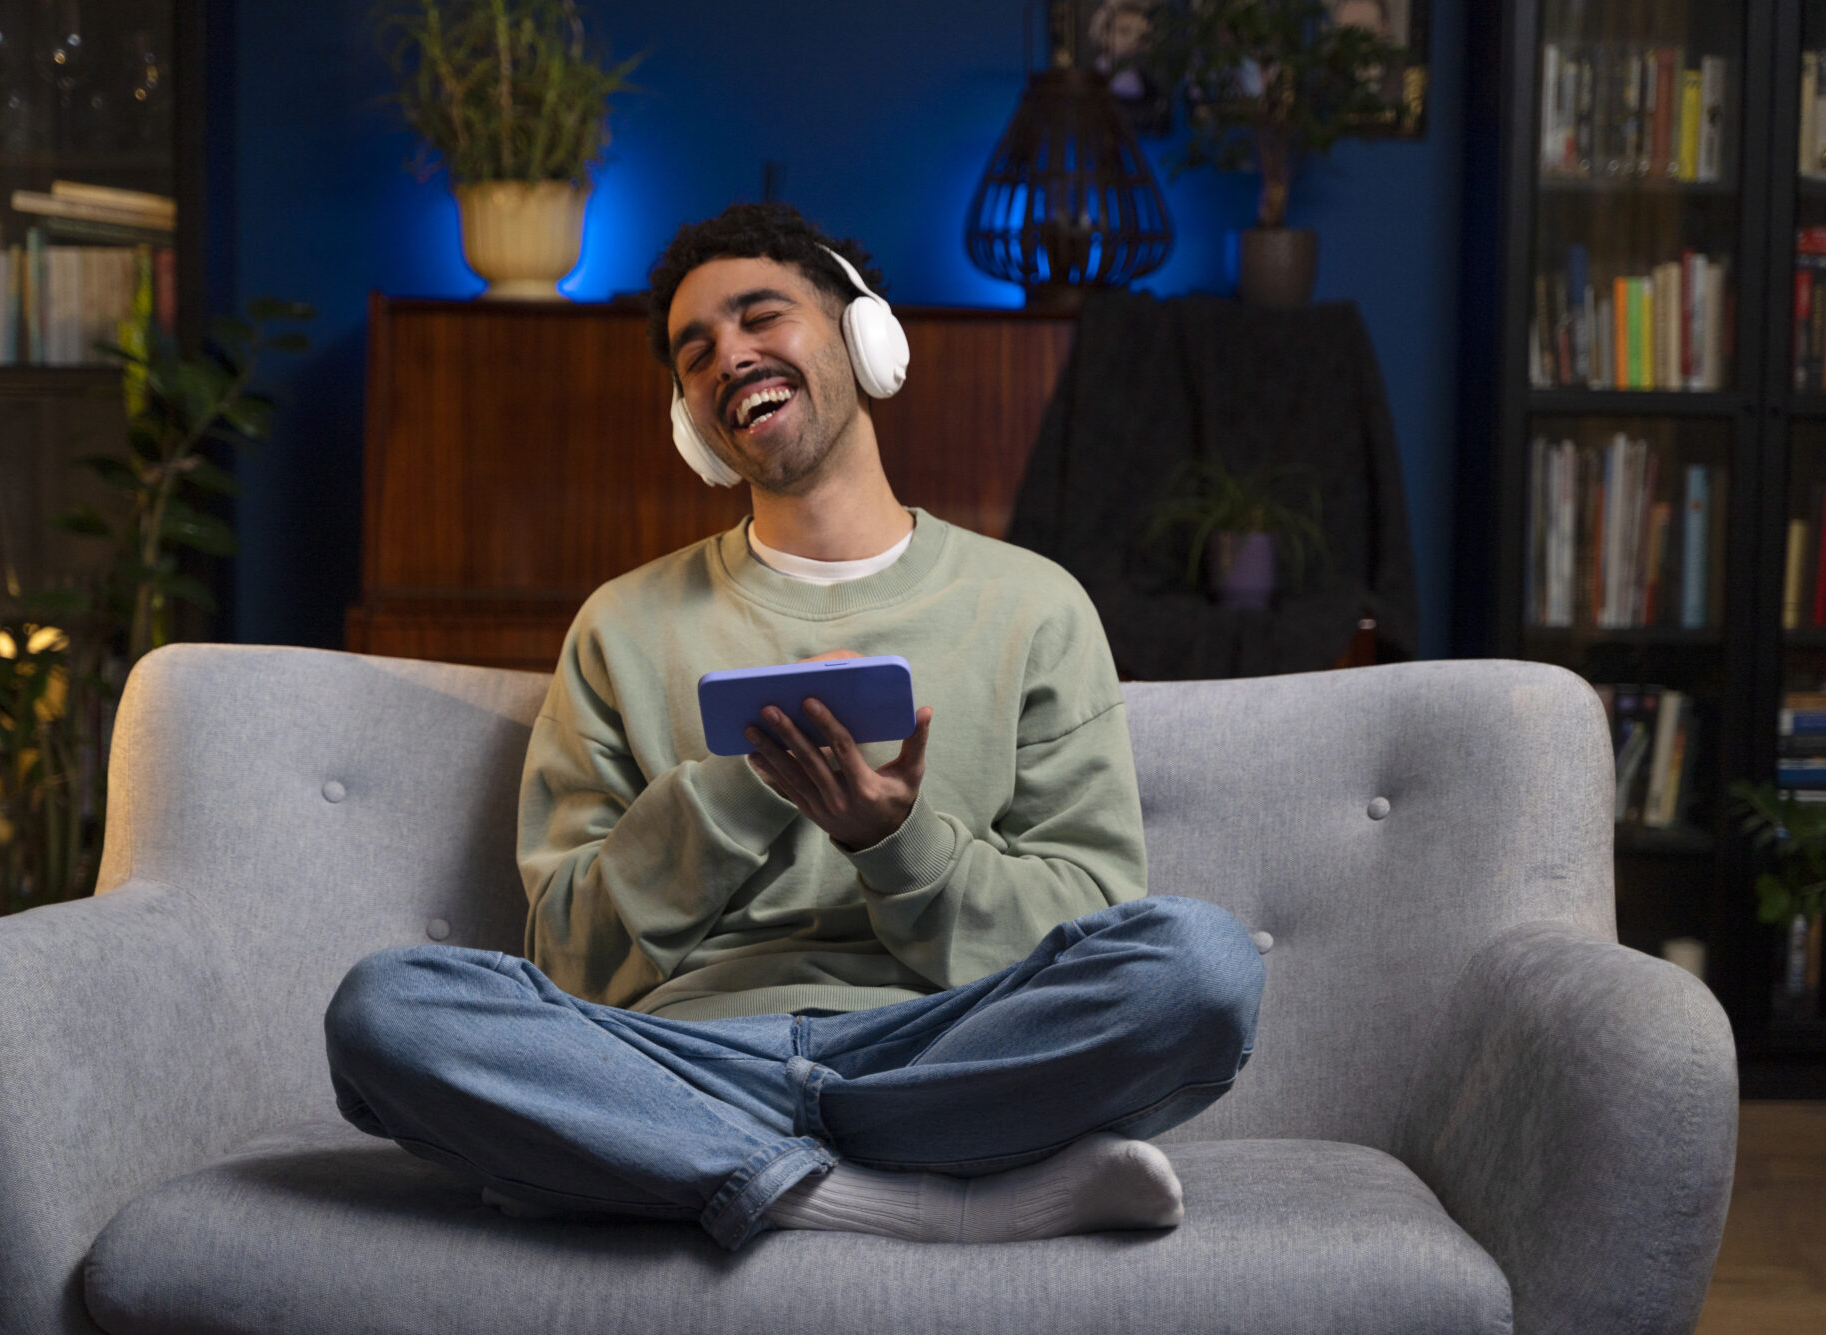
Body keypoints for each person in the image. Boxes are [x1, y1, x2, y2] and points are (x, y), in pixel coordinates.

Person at [323, 203, 1265, 1253]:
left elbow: (1087, 919)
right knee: (385, 1010)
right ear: (689, 416)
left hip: (938, 1051)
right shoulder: (620, 626)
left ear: (866, 339)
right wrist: (738, 787)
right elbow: (571, 961)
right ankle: (888, 1195)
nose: (729, 356)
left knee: (1202, 964)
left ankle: (660, 1163)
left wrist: (890, 845)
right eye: (695, 352)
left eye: (759, 317)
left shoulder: (1033, 608)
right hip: (677, 1054)